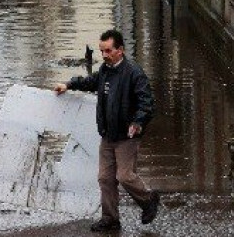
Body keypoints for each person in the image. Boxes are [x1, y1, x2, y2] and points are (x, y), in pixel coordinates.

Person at [53, 29, 159, 232]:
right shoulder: (105, 70)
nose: (104, 55)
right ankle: (110, 218)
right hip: (108, 135)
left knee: (125, 176)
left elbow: (147, 103)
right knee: (105, 178)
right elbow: (90, 82)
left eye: (108, 51)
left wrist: (137, 123)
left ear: (120, 50)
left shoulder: (134, 73)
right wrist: (68, 84)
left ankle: (148, 199)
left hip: (127, 137)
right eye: (102, 51)